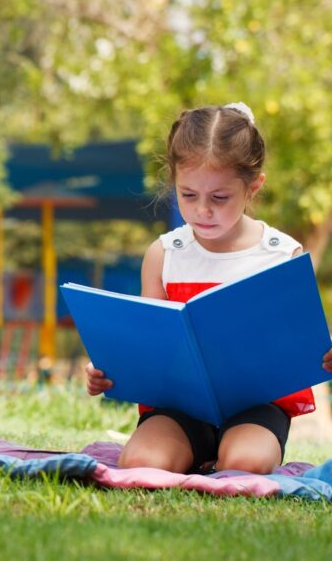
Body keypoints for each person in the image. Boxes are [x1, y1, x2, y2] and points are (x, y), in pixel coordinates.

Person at [85, 103, 332, 474]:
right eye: (188, 195)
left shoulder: (281, 255)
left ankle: (221, 454)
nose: (203, 210)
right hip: (178, 407)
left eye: (219, 198)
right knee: (141, 462)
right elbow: (146, 343)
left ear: (253, 187)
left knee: (245, 462)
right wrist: (110, 368)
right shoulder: (164, 254)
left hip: (257, 406)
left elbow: (303, 345)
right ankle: (194, 452)